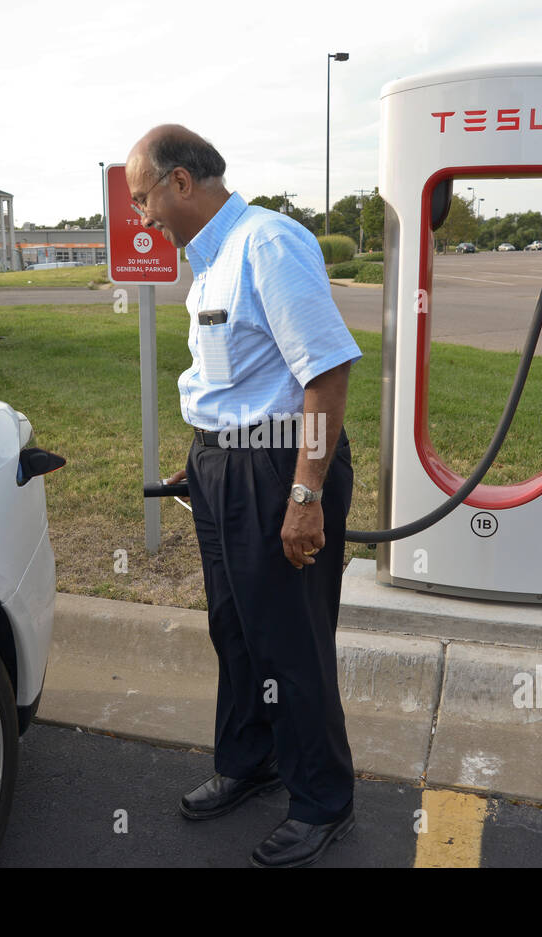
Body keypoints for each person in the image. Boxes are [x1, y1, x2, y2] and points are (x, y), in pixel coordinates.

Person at [125, 125, 362, 867]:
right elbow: (234, 383)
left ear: (182, 182)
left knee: (291, 642)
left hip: (279, 469)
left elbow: (326, 374)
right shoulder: (213, 261)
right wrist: (204, 464)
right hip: (225, 468)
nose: (142, 217)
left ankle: (323, 798)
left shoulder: (268, 243)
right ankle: (249, 758)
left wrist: (305, 494)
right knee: (236, 631)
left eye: (144, 198)